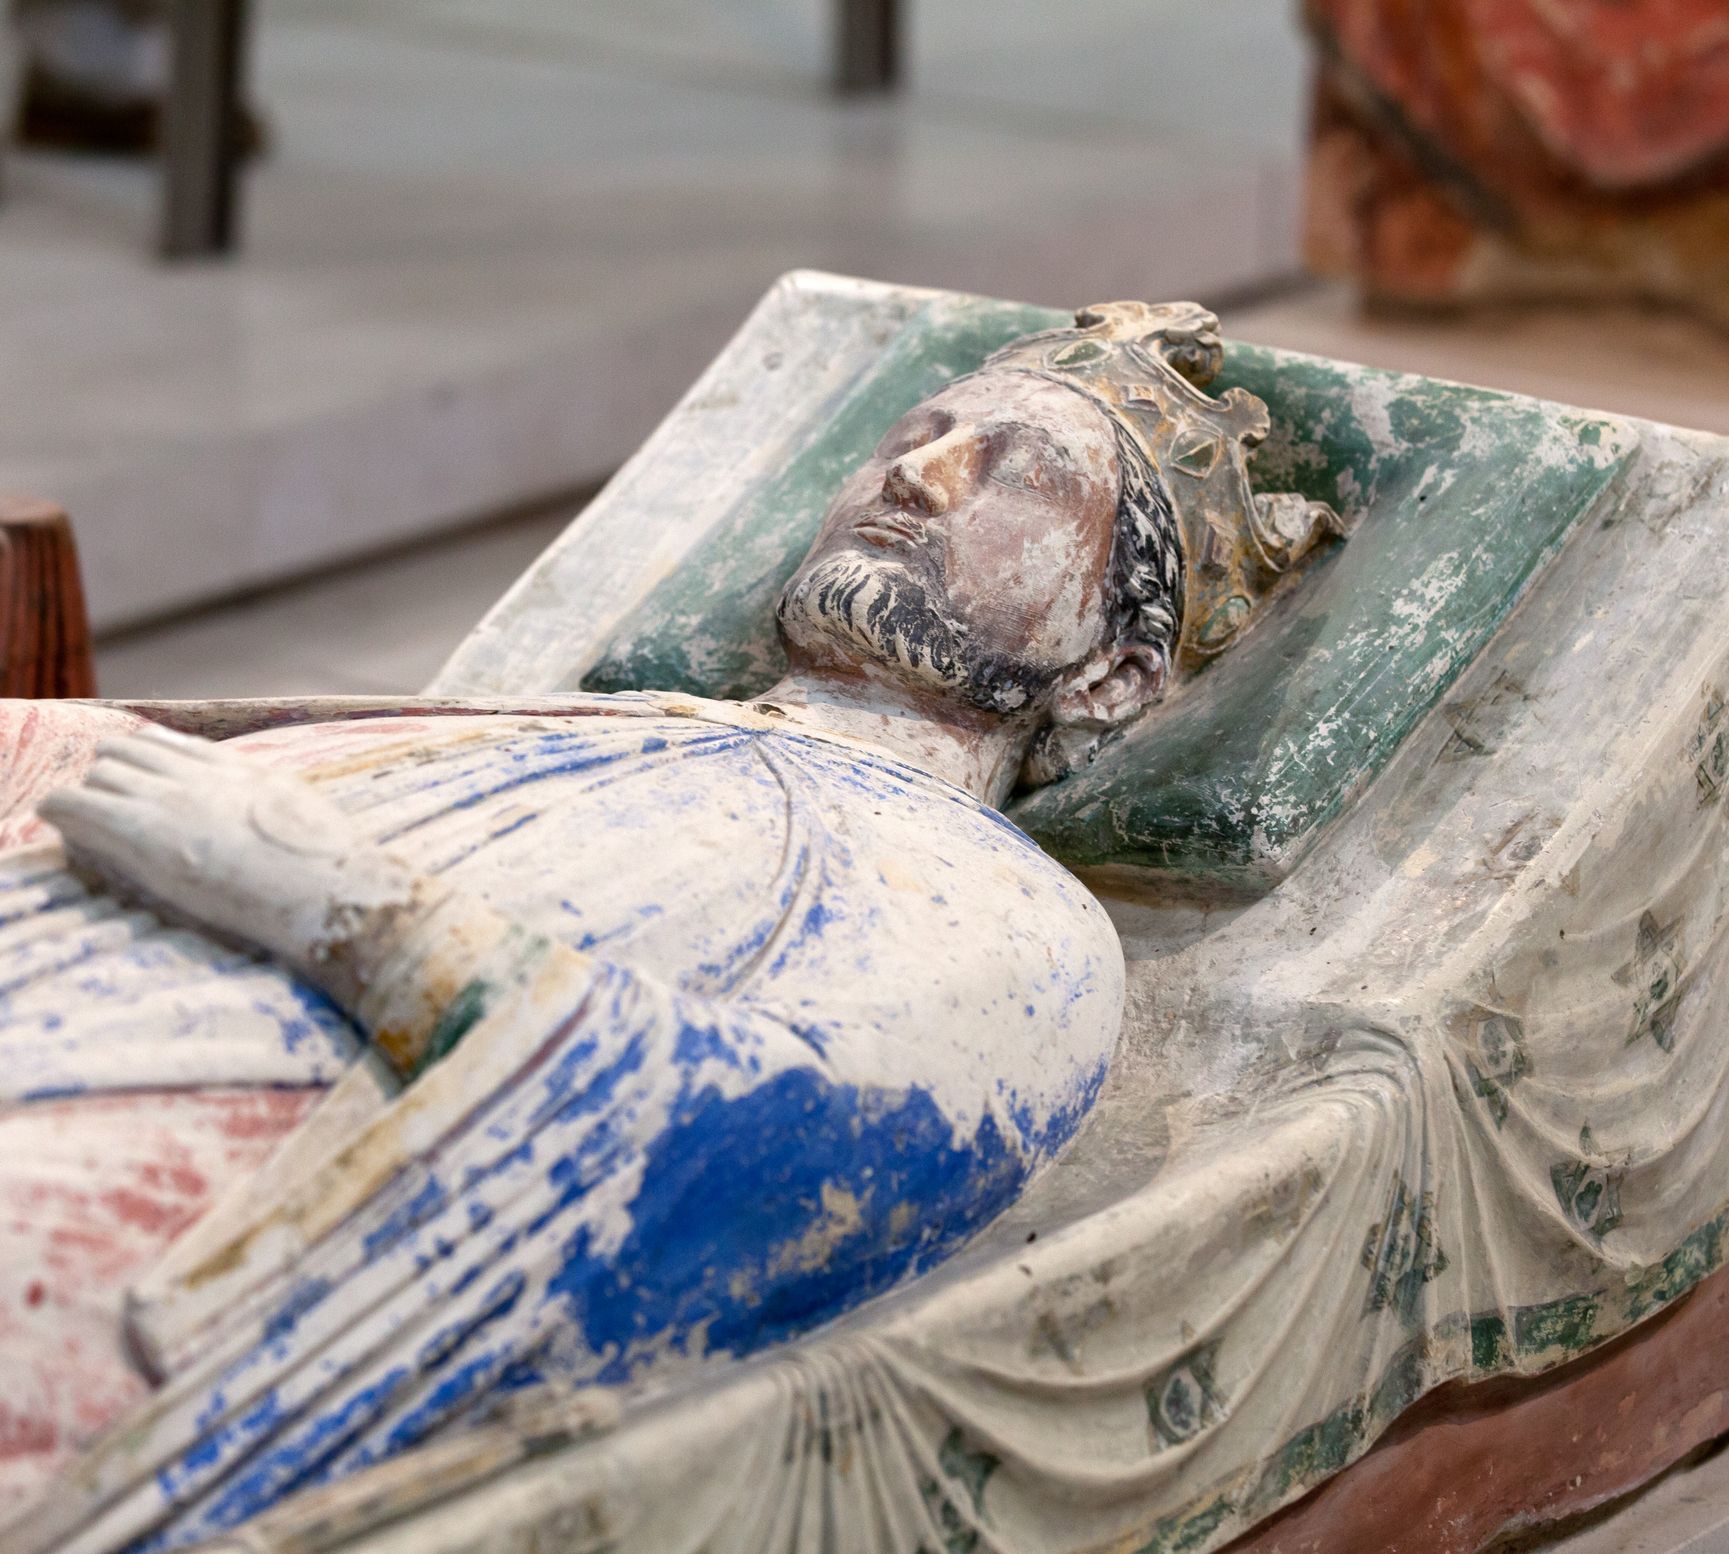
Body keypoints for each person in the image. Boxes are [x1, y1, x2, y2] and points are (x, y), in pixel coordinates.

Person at [0, 302, 1337, 1553]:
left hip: (203, 1160)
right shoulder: (588, 731)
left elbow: (769, 1149)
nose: (917, 478)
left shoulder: (1014, 914)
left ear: (1111, 675)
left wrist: (351, 912)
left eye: (1017, 478)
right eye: (914, 439)